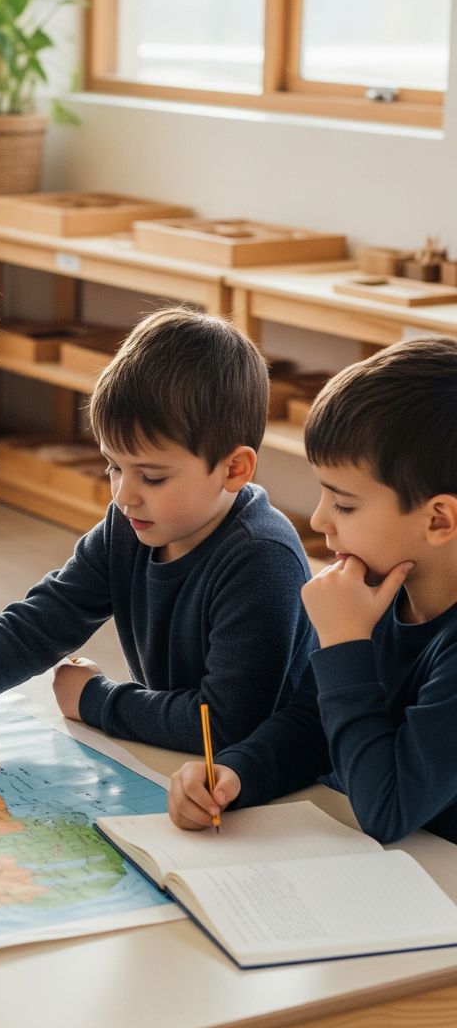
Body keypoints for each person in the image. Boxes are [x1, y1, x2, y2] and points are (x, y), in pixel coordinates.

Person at [0, 307, 315, 753]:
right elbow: (46, 618)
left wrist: (95, 699)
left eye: (152, 477)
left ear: (234, 469)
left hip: (291, 796)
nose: (123, 495)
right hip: (194, 770)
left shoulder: (263, 559)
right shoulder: (132, 525)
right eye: (114, 466)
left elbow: (222, 725)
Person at [169, 337, 457, 844]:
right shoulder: (377, 587)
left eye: (344, 505)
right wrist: (237, 772)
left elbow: (386, 811)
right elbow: (311, 723)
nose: (320, 519)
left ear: (438, 520)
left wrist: (346, 644)